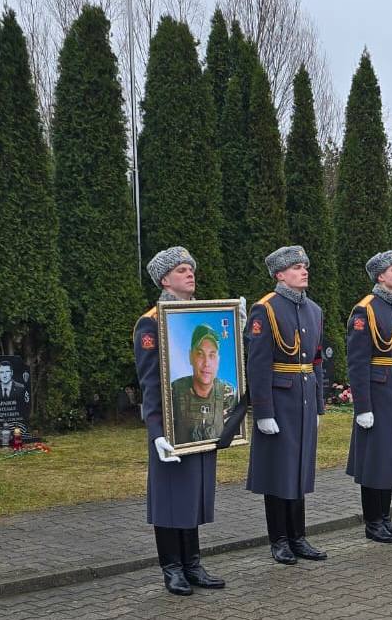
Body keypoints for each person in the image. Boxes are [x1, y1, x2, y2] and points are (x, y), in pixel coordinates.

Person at [134, 247, 224, 596]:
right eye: (182, 270)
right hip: (171, 425)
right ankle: (172, 568)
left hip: (199, 421)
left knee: (192, 494)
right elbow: (150, 382)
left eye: (191, 269)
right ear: (164, 280)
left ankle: (193, 564)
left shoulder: (200, 318)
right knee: (170, 496)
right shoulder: (151, 322)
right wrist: (156, 431)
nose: (190, 274)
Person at [246, 245, 327, 565]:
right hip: (279, 401)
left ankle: (298, 537)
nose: (304, 271)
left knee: (299, 470)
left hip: (304, 399)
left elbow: (316, 361)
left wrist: (319, 405)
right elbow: (257, 364)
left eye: (305, 266)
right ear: (280, 274)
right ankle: (279, 540)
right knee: (278, 472)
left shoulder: (314, 310)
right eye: (296, 267)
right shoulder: (265, 309)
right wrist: (263, 411)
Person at [346, 250, 392, 543]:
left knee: (390, 456)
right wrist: (363, 406)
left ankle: (386, 518)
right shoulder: (365, 310)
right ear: (380, 276)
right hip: (377, 394)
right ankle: (373, 521)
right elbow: (357, 362)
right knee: (375, 458)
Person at [171, 325, 236, 444]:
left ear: (218, 360)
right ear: (190, 356)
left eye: (212, 355)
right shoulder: (173, 391)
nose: (206, 363)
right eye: (200, 354)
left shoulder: (228, 393)